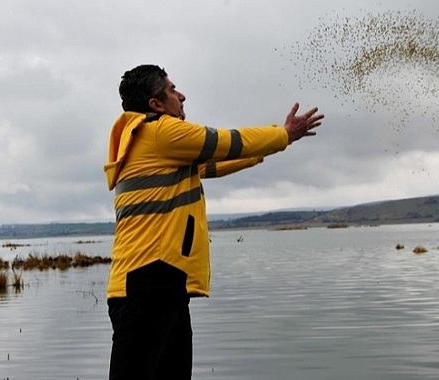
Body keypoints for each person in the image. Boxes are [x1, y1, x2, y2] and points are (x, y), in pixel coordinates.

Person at [103, 64, 323, 380]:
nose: (181, 96)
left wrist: (273, 145)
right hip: (148, 281)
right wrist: (283, 134)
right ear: (156, 104)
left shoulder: (156, 149)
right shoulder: (162, 133)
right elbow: (226, 141)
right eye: (172, 90)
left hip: (163, 282)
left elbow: (216, 162)